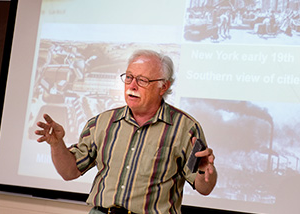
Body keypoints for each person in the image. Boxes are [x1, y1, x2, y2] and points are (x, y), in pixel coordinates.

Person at [35, 49, 217, 214]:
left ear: (164, 86)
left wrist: (204, 171)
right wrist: (57, 144)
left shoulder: (186, 128)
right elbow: (69, 172)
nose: (132, 86)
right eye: (129, 77)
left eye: (142, 80)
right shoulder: (101, 123)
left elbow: (204, 188)